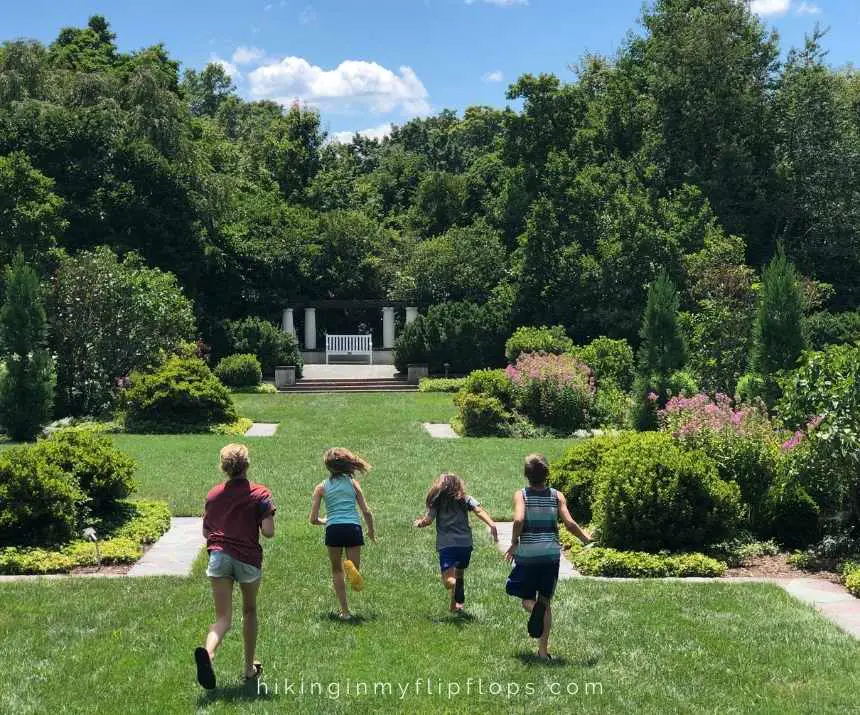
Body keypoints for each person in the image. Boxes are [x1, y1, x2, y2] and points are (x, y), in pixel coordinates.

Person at [195, 444, 276, 690]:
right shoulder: (260, 493)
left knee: (222, 618)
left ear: (224, 467)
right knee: (249, 611)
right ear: (247, 465)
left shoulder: (213, 494)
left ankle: (208, 654)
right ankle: (249, 668)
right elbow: (269, 532)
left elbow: (206, 531)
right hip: (247, 559)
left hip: (218, 556)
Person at [504, 453, 591, 660]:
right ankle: (543, 652)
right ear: (547, 474)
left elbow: (518, 520)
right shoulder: (556, 495)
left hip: (528, 556)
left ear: (526, 475)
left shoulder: (522, 495)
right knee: (546, 601)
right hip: (551, 556)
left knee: (526, 599)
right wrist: (585, 538)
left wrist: (514, 542)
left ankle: (535, 609)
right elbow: (569, 523)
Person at [414, 473, 498, 613]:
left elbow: (428, 520)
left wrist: (420, 524)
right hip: (465, 544)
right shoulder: (466, 499)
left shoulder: (437, 501)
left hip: (447, 545)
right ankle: (455, 606)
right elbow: (479, 510)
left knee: (449, 581)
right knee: (459, 574)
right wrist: (492, 524)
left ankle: (456, 586)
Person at [309, 448, 376, 620]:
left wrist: (325, 521)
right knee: (354, 567)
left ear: (329, 468)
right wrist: (370, 530)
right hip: (353, 528)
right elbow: (366, 511)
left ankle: (344, 611)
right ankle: (352, 568)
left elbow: (313, 519)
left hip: (334, 530)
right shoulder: (353, 483)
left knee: (336, 571)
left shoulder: (321, 487)